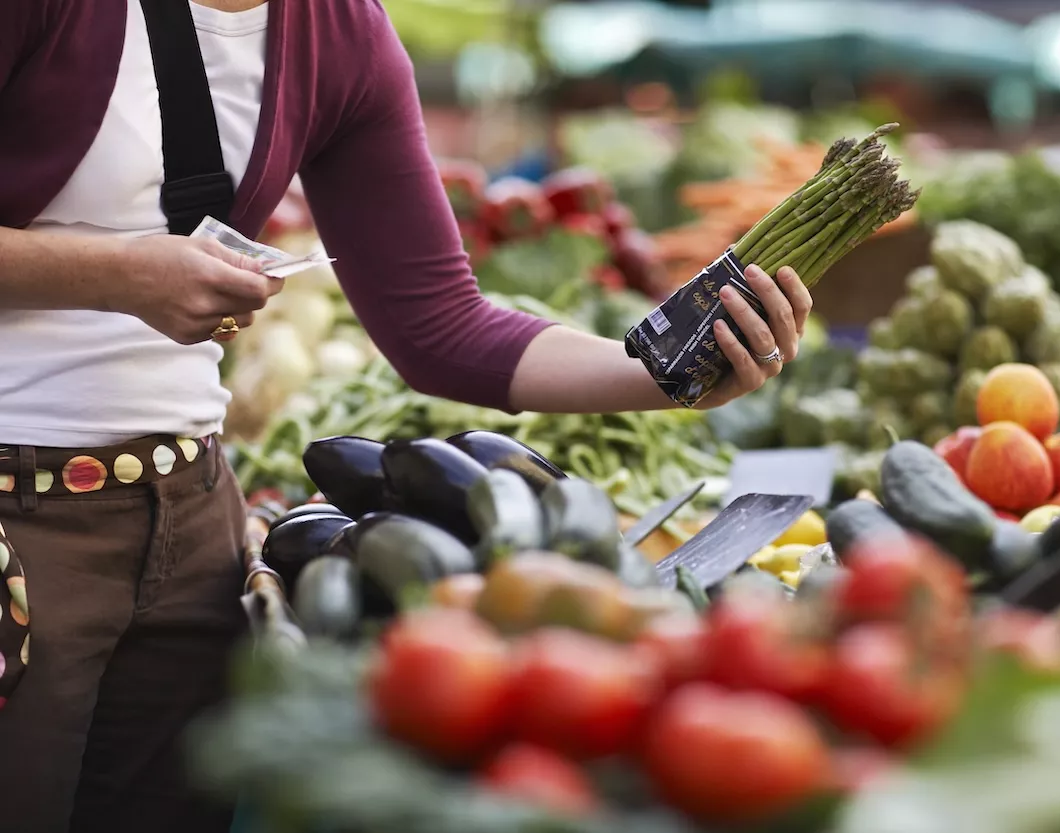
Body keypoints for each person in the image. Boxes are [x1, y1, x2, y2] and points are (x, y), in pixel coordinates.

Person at [0, 1, 812, 832]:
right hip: (19, 528)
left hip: (194, 522)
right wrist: (116, 274)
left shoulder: (338, 29)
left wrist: (669, 376)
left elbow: (439, 324)